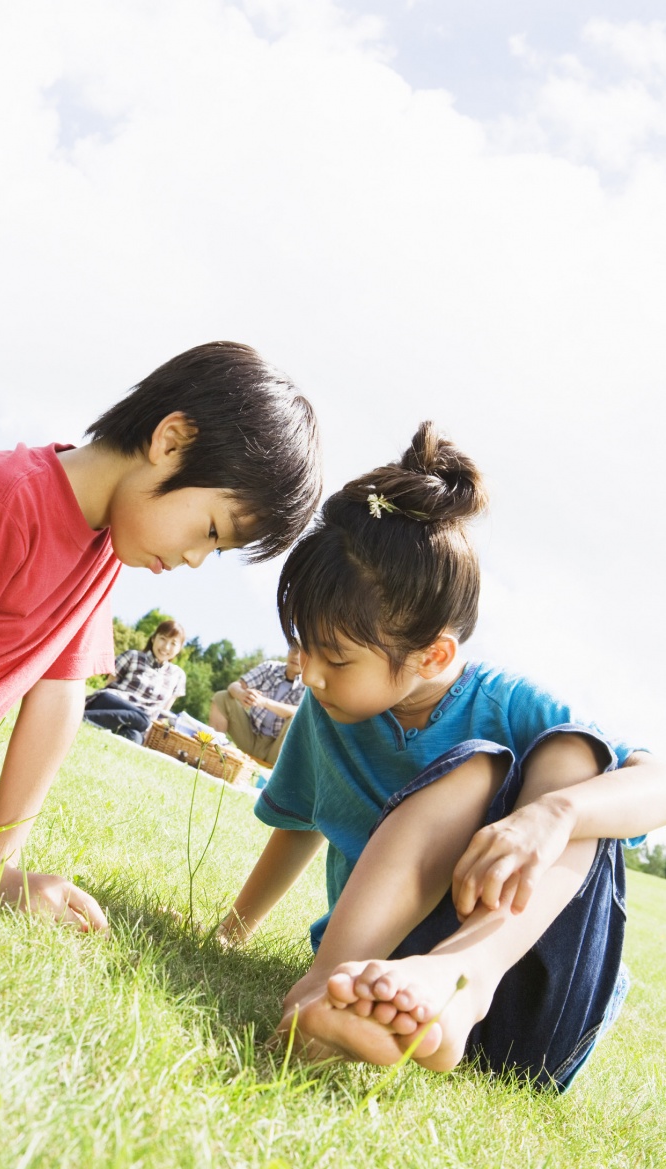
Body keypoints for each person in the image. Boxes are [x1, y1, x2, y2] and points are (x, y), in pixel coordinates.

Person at [0, 341, 323, 981]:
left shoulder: (101, 551)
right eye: (211, 530)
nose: (198, 559)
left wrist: (3, 855)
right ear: (171, 441)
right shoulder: (1, 499)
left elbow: (59, 697)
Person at [219, 421, 666, 1090]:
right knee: (496, 767)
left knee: (560, 757)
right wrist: (232, 930)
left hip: (529, 997)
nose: (306, 673)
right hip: (380, 976)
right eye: (302, 645)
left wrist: (554, 814)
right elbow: (297, 824)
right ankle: (327, 1003)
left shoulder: (510, 703)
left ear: (434, 655)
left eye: (335, 657)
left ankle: (461, 983)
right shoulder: (326, 710)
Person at [84, 619, 187, 744]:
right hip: (110, 703)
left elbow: (162, 712)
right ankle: (81, 717)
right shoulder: (133, 656)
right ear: (154, 638)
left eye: (173, 643)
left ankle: (86, 718)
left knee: (135, 738)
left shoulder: (178, 676)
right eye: (163, 639)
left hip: (139, 724)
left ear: (179, 648)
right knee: (144, 720)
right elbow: (109, 685)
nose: (166, 647)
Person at [209, 643, 305, 765]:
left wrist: (265, 702)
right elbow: (234, 686)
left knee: (296, 720)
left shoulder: (309, 684)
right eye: (294, 649)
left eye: (302, 653)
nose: (296, 656)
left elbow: (299, 712)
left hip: (275, 749)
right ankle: (214, 751)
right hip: (251, 735)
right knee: (222, 696)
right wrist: (241, 694)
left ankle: (280, 772)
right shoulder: (270, 667)